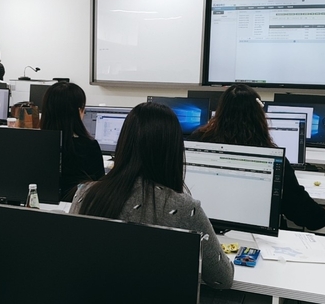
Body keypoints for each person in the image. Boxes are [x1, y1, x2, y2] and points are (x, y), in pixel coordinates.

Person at [70, 102, 234, 289]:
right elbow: (222, 278)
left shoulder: (85, 193)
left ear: (124, 143)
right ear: (173, 150)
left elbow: (72, 260)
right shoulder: (184, 208)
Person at [188, 84, 325, 230]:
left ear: (220, 111)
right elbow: (302, 212)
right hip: (255, 233)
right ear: (259, 116)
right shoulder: (272, 158)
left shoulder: (196, 142)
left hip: (202, 228)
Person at [40, 82, 104, 201]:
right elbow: (100, 187)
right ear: (79, 111)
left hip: (40, 206)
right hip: (77, 208)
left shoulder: (34, 144)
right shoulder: (89, 147)